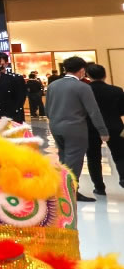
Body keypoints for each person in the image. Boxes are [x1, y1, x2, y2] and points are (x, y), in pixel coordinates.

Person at [46, 56, 109, 202]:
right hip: (75, 128)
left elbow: (47, 109)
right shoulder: (83, 87)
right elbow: (93, 111)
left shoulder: (53, 85)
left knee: (64, 158)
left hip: (56, 126)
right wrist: (102, 131)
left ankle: (61, 188)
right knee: (74, 160)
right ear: (81, 70)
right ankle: (70, 191)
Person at [85, 64, 124, 194]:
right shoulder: (117, 90)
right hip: (115, 126)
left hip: (91, 127)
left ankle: (99, 187)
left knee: (93, 157)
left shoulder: (85, 91)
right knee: (120, 154)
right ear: (105, 75)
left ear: (88, 75)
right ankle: (123, 178)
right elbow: (122, 109)